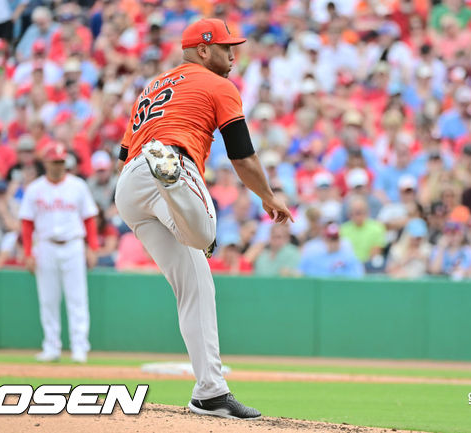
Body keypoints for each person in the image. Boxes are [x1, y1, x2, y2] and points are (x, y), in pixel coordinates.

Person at [114, 19, 292, 420]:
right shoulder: (219, 85)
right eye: (226, 47)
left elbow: (124, 153)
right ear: (202, 49)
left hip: (130, 186)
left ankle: (210, 392)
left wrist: (144, 177)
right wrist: (268, 197)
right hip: (170, 162)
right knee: (206, 233)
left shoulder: (152, 86)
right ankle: (172, 178)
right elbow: (242, 155)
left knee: (197, 285)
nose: (233, 54)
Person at [19, 143, 99, 363]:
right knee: (48, 299)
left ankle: (79, 347)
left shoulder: (78, 186)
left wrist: (91, 247)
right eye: (55, 161)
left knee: (77, 299)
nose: (59, 166)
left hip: (73, 244)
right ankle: (51, 347)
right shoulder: (35, 188)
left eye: (62, 162)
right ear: (46, 163)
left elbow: (89, 219)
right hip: (45, 245)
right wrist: (28, 253)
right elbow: (27, 224)